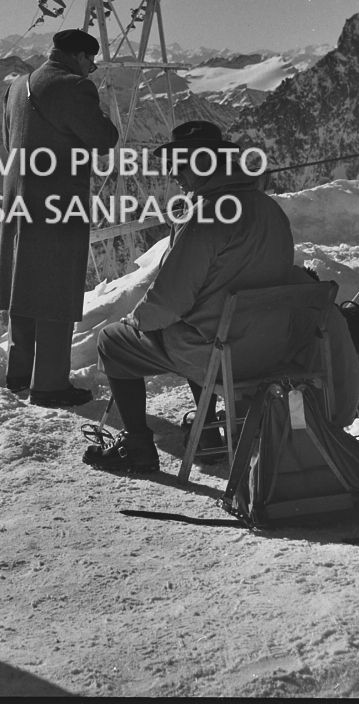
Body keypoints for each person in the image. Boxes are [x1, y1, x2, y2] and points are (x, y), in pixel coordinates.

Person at [83, 120, 295, 474]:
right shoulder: (269, 208)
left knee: (114, 341)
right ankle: (207, 433)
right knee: (200, 323)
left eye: (179, 165)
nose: (173, 174)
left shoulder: (206, 216)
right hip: (271, 344)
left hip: (221, 352)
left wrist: (133, 323)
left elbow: (167, 303)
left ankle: (137, 447)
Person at [0, 28, 120, 408]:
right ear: (80, 56)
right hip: (57, 200)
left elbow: (8, 138)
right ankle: (48, 384)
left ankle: (20, 371)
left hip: (18, 195)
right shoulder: (73, 86)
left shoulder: (18, 85)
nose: (92, 69)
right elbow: (103, 138)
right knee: (54, 287)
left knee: (25, 285)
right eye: (91, 62)